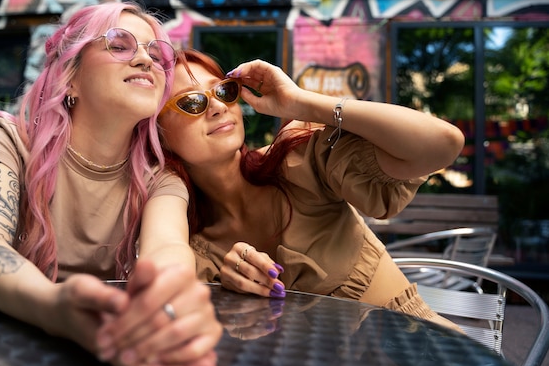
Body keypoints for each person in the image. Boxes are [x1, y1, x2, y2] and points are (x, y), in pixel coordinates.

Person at [0, 3, 221, 366]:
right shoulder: (12, 141)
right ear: (70, 76)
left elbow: (167, 248)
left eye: (156, 53)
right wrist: (55, 308)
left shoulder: (160, 177)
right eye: (119, 44)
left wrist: (167, 305)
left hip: (113, 345)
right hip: (3, 346)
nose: (146, 59)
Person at [157, 49, 466, 332]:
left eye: (224, 91)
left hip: (416, 348)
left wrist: (302, 102)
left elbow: (445, 143)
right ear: (157, 134)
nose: (217, 107)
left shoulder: (297, 162)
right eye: (192, 102)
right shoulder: (189, 247)